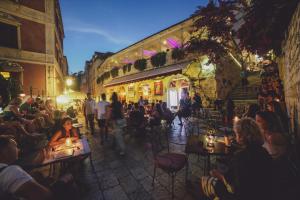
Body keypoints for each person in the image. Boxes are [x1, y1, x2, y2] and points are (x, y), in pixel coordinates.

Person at [191, 118, 273, 200]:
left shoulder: (241, 157)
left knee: (201, 183)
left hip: (241, 195)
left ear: (241, 136)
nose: (235, 136)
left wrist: (220, 176)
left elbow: (236, 188)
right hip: (263, 193)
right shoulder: (264, 152)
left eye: (236, 134)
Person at [0, 135, 52, 200]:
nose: (19, 149)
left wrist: (36, 165)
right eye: (15, 146)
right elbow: (44, 195)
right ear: (5, 151)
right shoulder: (10, 171)